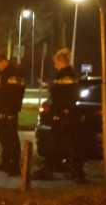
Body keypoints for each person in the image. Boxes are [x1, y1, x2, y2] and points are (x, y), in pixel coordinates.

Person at [35, 48, 86, 182]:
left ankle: (76, 172)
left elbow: (66, 95)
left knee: (68, 144)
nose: (55, 65)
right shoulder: (65, 75)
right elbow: (62, 92)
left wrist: (61, 108)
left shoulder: (66, 76)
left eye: (56, 62)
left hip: (65, 116)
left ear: (61, 61)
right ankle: (55, 168)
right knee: (57, 143)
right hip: (63, 114)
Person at [0, 50, 27, 174]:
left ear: (3, 61)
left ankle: (14, 165)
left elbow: (13, 91)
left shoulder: (15, 71)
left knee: (11, 138)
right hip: (0, 107)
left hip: (10, 108)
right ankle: (5, 162)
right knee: (3, 137)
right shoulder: (2, 72)